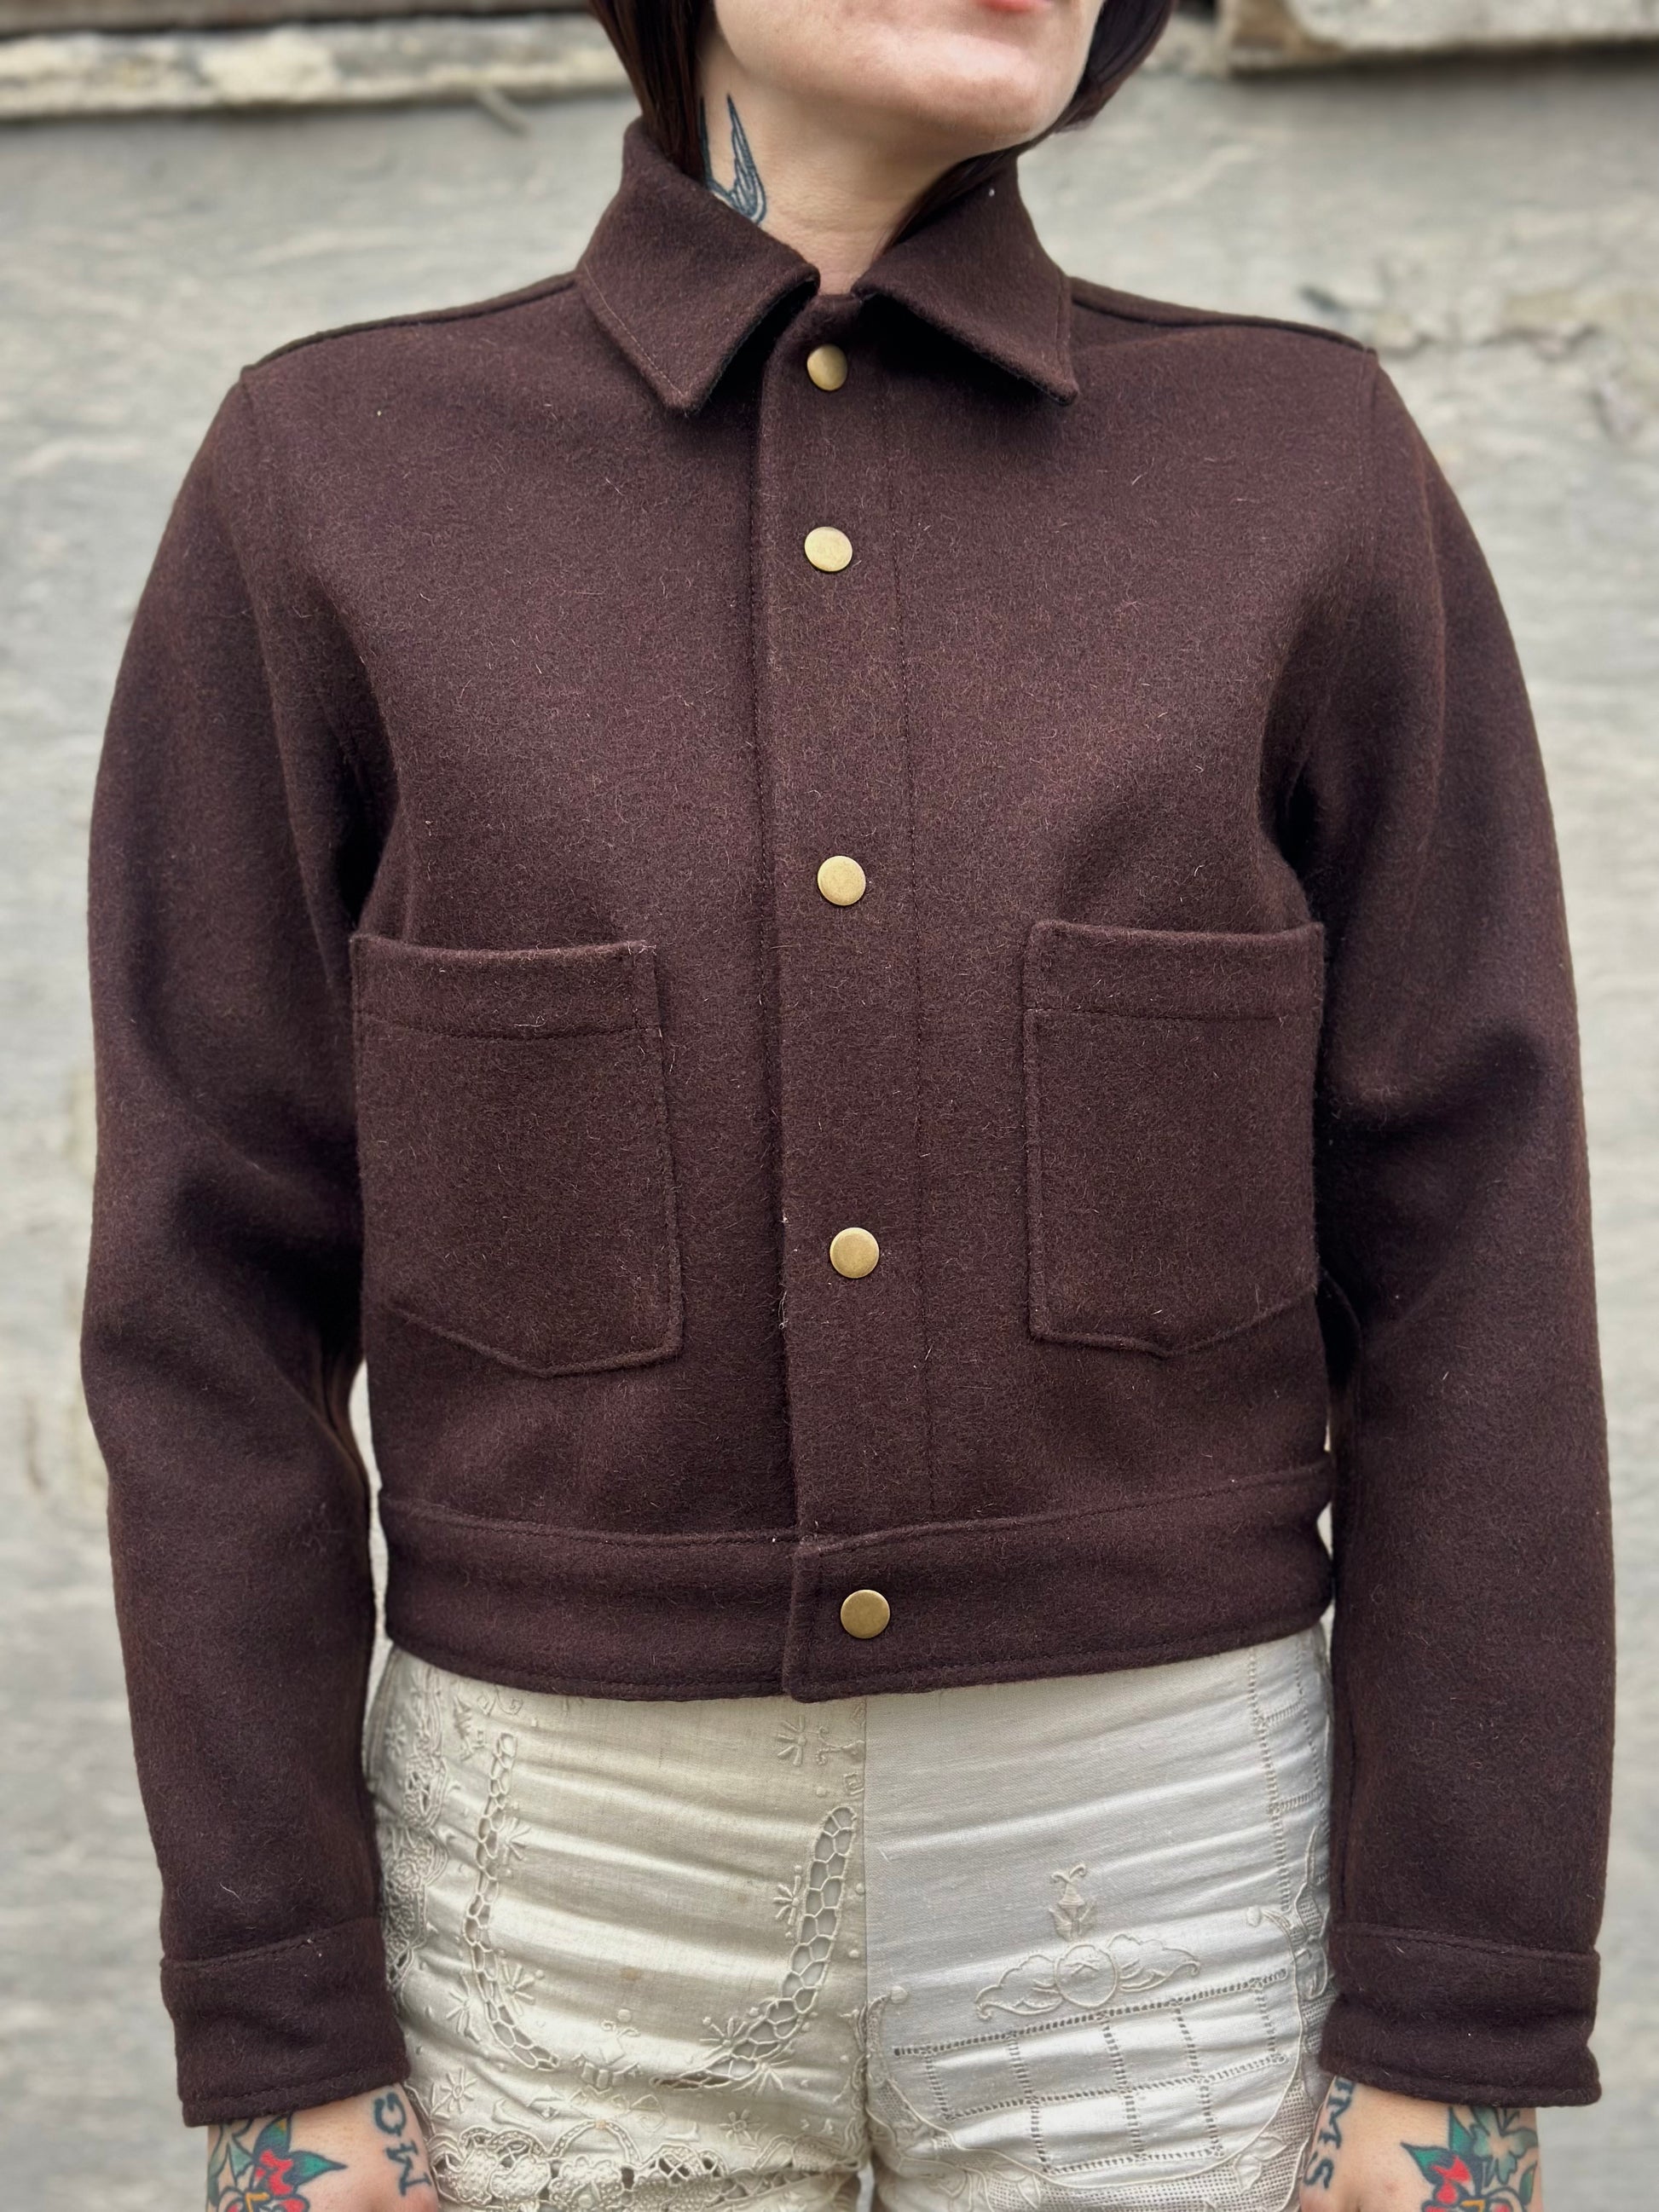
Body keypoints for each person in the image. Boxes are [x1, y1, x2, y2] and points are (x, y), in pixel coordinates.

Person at [81, 1, 1616, 2208]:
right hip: (552, 1903)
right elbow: (203, 1303)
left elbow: (1478, 1261)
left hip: (1179, 1878)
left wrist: (1459, 2010)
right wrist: (281, 2019)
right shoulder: (335, 477)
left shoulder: (1299, 466)